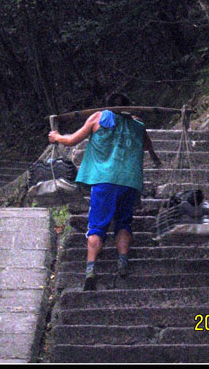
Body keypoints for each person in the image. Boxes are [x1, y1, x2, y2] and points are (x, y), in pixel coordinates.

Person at [48, 93, 161, 290]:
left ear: (107, 106)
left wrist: (56, 137)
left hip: (104, 181)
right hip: (129, 181)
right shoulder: (137, 125)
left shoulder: (97, 118)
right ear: (127, 107)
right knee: (123, 223)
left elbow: (72, 140)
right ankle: (122, 261)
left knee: (97, 226)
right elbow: (147, 145)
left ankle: (90, 269)